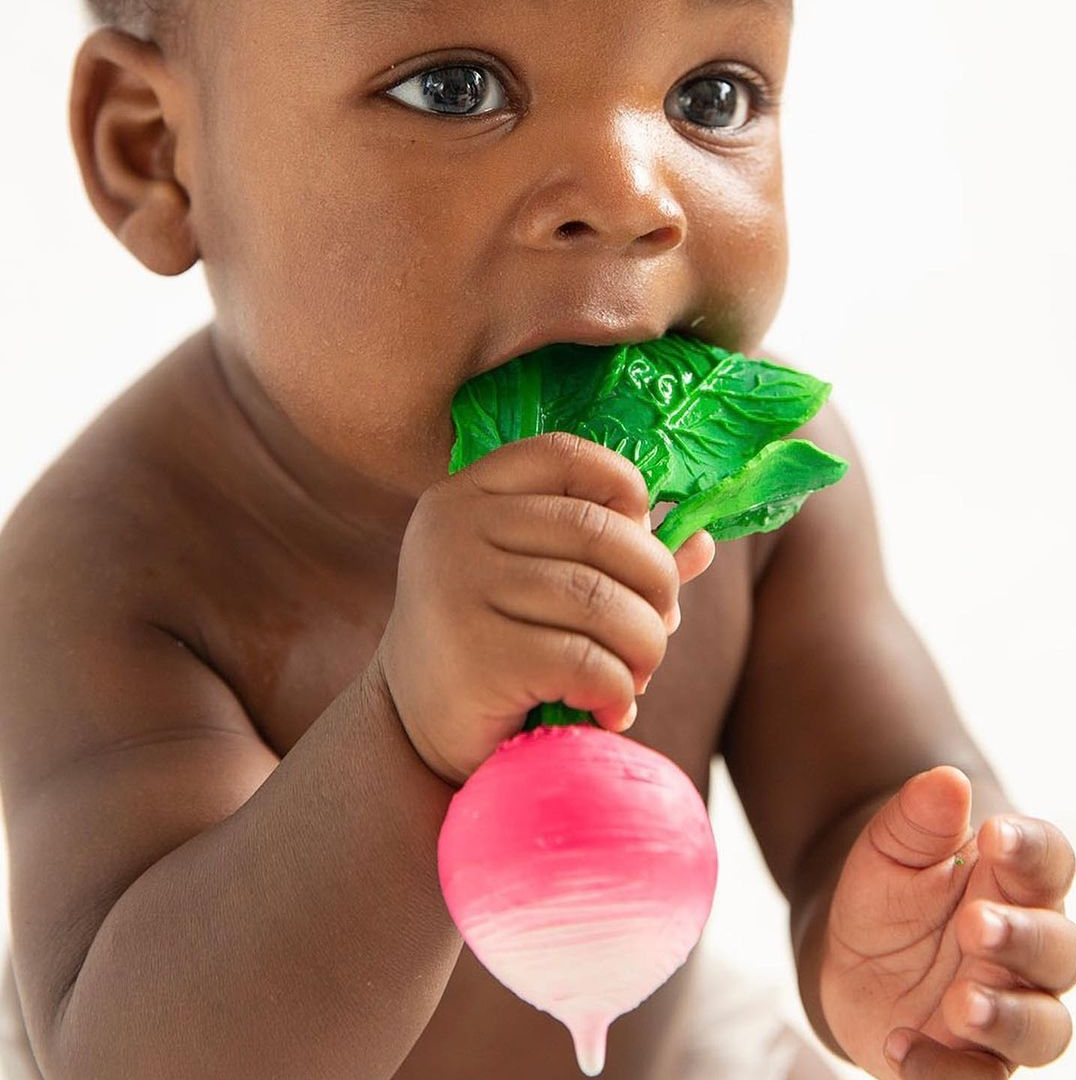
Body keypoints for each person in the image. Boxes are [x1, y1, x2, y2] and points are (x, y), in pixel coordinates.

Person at [0, 0, 1073, 1078]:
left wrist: (924, 931)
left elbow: (871, 792)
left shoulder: (742, 486)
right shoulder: (109, 570)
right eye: (453, 88)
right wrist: (407, 732)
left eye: (710, 97)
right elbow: (137, 1058)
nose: (627, 197)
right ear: (156, 152)